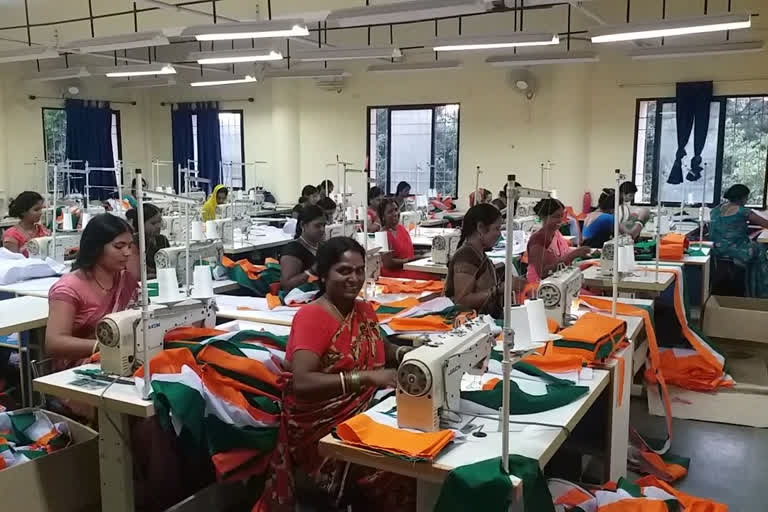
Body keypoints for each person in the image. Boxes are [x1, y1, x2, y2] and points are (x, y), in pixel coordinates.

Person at [258, 237, 414, 511]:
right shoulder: (312, 317)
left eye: (359, 270)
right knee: (400, 466)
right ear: (323, 274)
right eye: (344, 271)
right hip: (319, 431)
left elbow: (381, 346)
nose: (354, 278)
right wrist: (366, 378)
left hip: (361, 412)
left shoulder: (363, 309)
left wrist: (407, 355)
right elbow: (302, 381)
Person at [46, 214, 139, 366]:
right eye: (119, 246)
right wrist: (103, 347)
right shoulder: (69, 288)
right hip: (79, 368)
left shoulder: (124, 279)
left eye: (129, 246)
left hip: (121, 359)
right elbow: (54, 343)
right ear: (96, 247)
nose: (127, 252)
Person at [445, 204, 526, 316]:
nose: (499, 234)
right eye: (496, 228)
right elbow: (462, 301)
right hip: (471, 322)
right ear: (480, 228)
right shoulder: (466, 257)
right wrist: (501, 288)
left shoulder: (479, 254)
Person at [710, 184, 768, 297]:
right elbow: (765, 224)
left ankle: (749, 286)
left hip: (716, 249)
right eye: (746, 197)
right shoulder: (742, 211)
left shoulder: (716, 209)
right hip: (735, 250)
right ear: (742, 197)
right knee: (762, 249)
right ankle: (758, 291)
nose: (746, 200)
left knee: (755, 245)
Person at [526, 198, 591, 282]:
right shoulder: (538, 239)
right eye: (556, 216)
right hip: (541, 286)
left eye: (561, 216)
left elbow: (562, 252)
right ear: (543, 217)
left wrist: (581, 252)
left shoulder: (556, 233)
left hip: (558, 280)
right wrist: (574, 255)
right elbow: (543, 272)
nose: (560, 220)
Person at [378, 198, 434, 280]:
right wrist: (410, 260)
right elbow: (388, 263)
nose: (395, 213)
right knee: (433, 277)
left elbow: (406, 251)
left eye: (396, 209)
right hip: (395, 274)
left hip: (408, 267)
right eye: (390, 212)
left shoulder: (401, 228)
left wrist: (424, 254)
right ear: (383, 216)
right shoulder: (381, 234)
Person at [280, 205, 326, 291]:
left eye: (324, 225)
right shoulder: (293, 250)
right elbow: (286, 286)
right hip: (302, 299)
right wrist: (311, 272)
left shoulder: (323, 246)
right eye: (317, 226)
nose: (322, 229)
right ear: (303, 225)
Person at [126, 203, 170, 280]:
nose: (158, 226)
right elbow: (137, 275)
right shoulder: (133, 243)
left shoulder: (162, 240)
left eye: (160, 221)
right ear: (140, 224)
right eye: (153, 223)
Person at [2, 191, 50, 257]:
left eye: (41, 209)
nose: (40, 213)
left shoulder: (42, 230)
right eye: (36, 210)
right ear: (23, 212)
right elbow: (12, 262)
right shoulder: (11, 235)